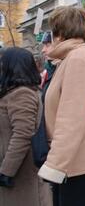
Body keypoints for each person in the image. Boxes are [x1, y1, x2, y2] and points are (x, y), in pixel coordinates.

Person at [38, 6, 85, 206]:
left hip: (79, 160)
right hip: (79, 157)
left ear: (60, 33)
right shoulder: (75, 57)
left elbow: (71, 119)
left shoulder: (77, 59)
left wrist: (55, 165)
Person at [0, 48, 52, 206]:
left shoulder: (22, 94)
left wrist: (6, 171)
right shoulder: (15, 91)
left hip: (19, 173)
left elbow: (22, 135)